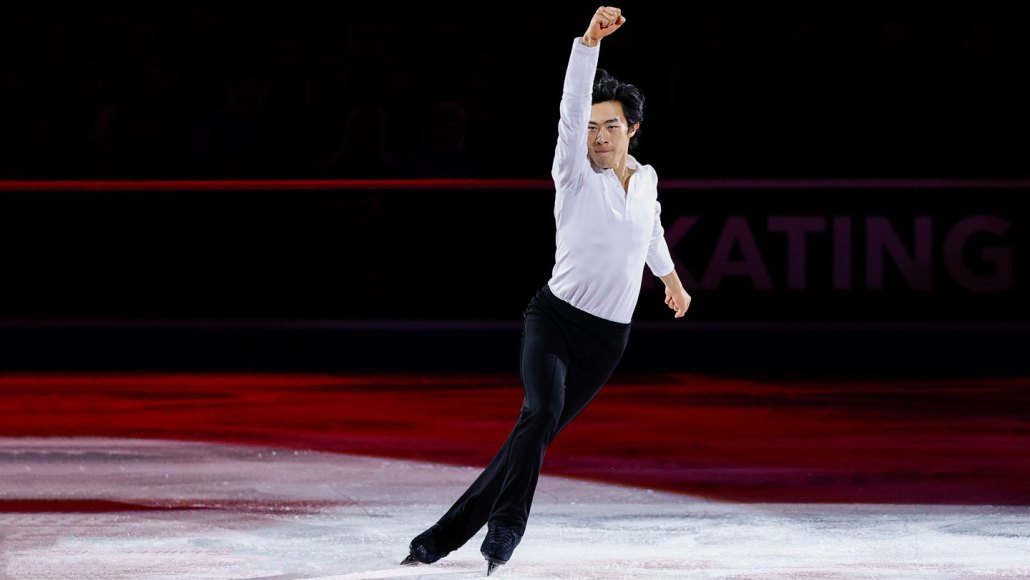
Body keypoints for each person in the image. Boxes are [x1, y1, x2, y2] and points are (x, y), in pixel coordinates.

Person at [401, 6, 691, 575]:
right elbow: (570, 106)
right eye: (591, 127)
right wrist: (587, 44)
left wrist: (672, 282)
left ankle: (440, 538)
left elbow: (651, 232)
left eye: (610, 127)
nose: (598, 136)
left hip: (609, 342)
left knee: (530, 436)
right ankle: (505, 532)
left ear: (632, 129)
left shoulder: (648, 179)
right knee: (541, 411)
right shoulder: (575, 171)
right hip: (554, 321)